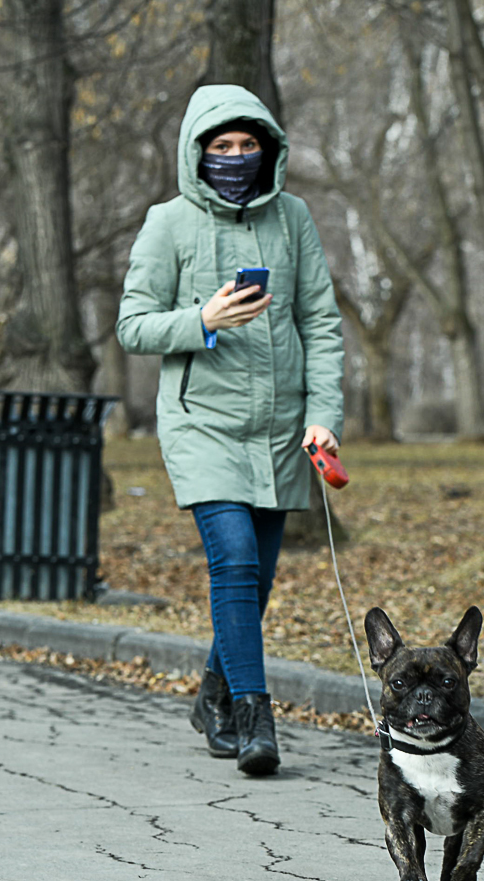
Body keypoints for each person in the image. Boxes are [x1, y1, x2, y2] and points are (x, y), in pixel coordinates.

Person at [117, 84, 345, 778]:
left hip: (280, 430)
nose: (236, 157)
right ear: (198, 151)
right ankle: (254, 719)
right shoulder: (169, 223)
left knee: (257, 580)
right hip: (202, 426)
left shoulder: (294, 217)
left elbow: (322, 323)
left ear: (268, 149)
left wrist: (322, 416)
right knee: (236, 564)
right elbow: (132, 325)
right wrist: (202, 321)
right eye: (222, 146)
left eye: (248, 145)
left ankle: (211, 694)